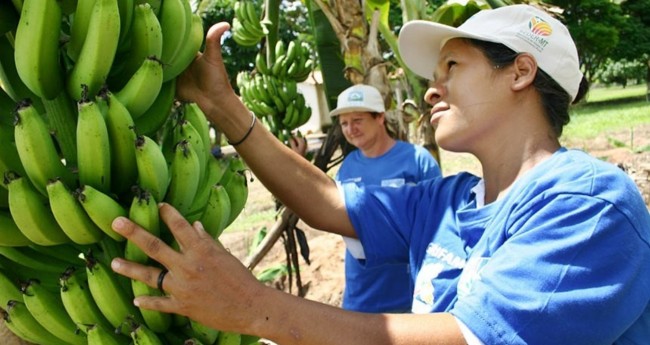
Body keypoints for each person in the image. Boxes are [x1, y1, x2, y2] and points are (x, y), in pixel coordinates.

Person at [110, 4, 650, 344]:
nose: (431, 90)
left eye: (452, 69)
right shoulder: (446, 200)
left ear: (521, 72)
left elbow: (469, 337)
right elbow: (326, 200)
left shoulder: (588, 203)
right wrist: (223, 106)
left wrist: (254, 308)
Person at [329, 83, 441, 313]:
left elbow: (437, 224)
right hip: (361, 293)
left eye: (357, 120)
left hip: (410, 293)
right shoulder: (347, 167)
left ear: (380, 117)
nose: (350, 129)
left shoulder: (417, 160)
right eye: (344, 123)